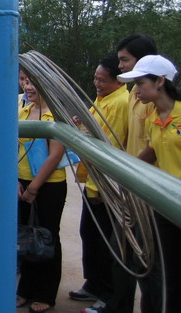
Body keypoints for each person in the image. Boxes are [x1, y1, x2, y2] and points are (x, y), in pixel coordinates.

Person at [77, 34, 161, 313]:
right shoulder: (136, 96)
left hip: (142, 187)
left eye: (125, 60)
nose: (121, 65)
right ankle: (112, 300)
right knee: (120, 251)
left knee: (144, 262)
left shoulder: (149, 101)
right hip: (128, 183)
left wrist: (126, 173)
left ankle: (114, 300)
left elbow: (149, 145)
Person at [117, 54, 181, 313]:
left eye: (140, 83)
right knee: (169, 273)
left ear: (160, 82)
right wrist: (124, 171)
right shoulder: (155, 116)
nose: (136, 90)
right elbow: (152, 151)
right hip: (165, 204)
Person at [74, 55, 129, 309]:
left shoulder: (120, 103)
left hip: (107, 183)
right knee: (89, 232)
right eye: (95, 78)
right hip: (93, 179)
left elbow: (109, 142)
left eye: (102, 80)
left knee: (106, 240)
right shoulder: (103, 99)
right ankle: (94, 283)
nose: (97, 83)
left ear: (118, 81)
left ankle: (106, 292)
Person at [16, 70, 67, 313]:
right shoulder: (23, 111)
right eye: (26, 81)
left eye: (33, 82)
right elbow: (12, 146)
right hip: (22, 182)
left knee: (47, 236)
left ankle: (46, 294)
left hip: (50, 185)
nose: (28, 87)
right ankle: (25, 289)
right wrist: (15, 180)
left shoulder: (55, 115)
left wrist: (34, 187)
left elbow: (55, 155)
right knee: (26, 236)